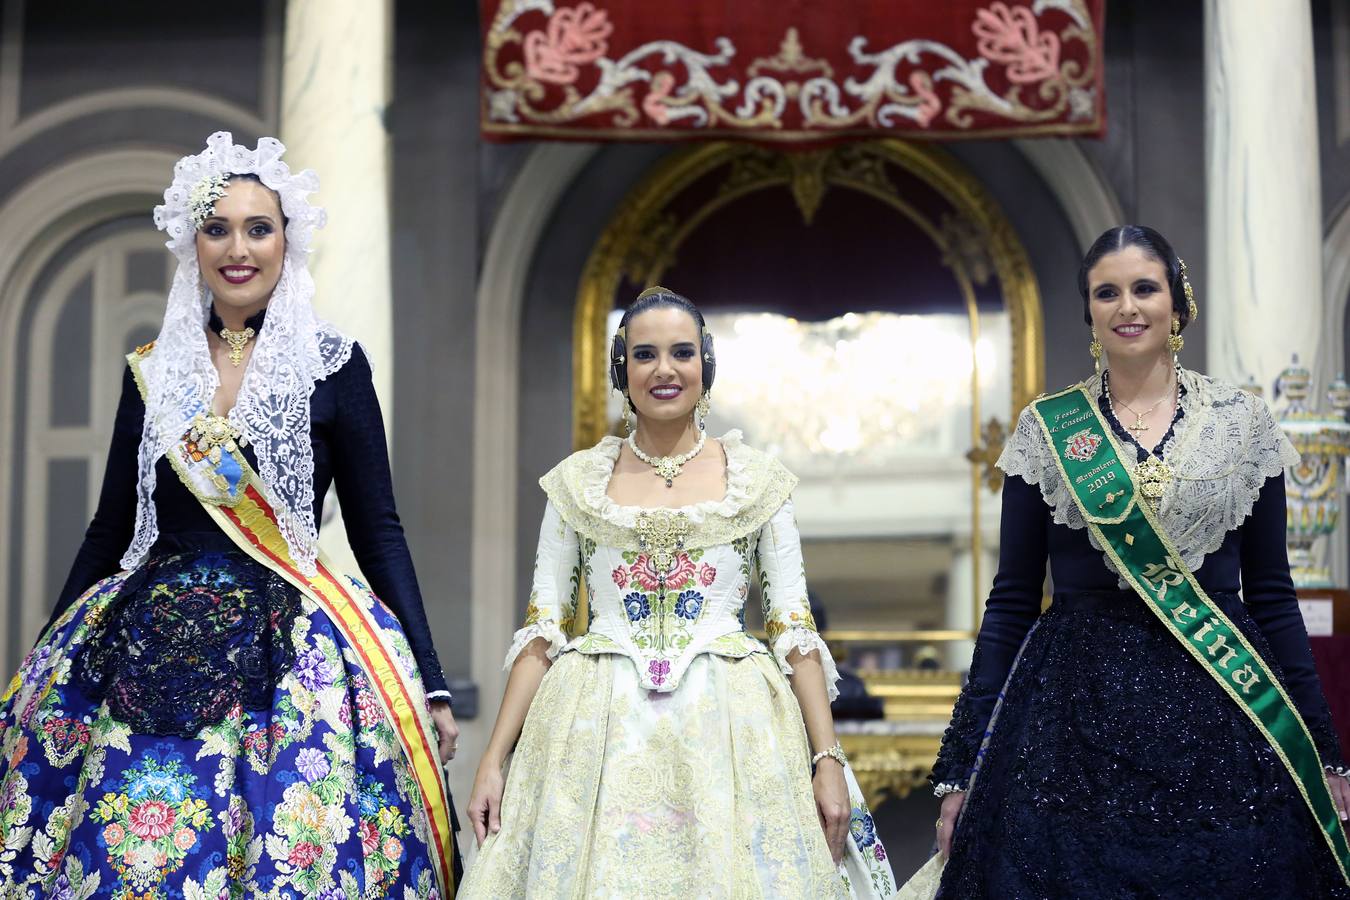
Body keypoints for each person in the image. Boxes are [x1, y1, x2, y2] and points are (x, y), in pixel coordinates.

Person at [0, 133, 460, 899]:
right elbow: (109, 531)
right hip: (144, 638)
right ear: (192, 244)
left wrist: (433, 681)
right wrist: (44, 662)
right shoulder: (152, 371)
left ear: (289, 241)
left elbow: (379, 529)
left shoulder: (334, 366)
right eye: (218, 228)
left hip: (294, 647)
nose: (238, 248)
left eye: (259, 227)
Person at [922, 225, 1350, 897]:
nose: (1128, 307)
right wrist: (963, 769)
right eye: (1107, 292)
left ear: (1177, 304)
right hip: (1070, 721)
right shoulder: (1047, 429)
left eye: (1145, 288)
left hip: (1224, 714)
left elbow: (1271, 592)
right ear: (1089, 311)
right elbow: (1010, 601)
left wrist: (1322, 752)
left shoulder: (1243, 426)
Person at [458, 287, 896, 898]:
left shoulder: (759, 482)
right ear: (623, 371)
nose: (664, 369)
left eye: (681, 353)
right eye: (645, 355)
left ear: (705, 366)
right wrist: (493, 760)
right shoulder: (577, 483)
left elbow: (794, 629)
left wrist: (827, 758)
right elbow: (541, 631)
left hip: (732, 729)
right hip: (594, 729)